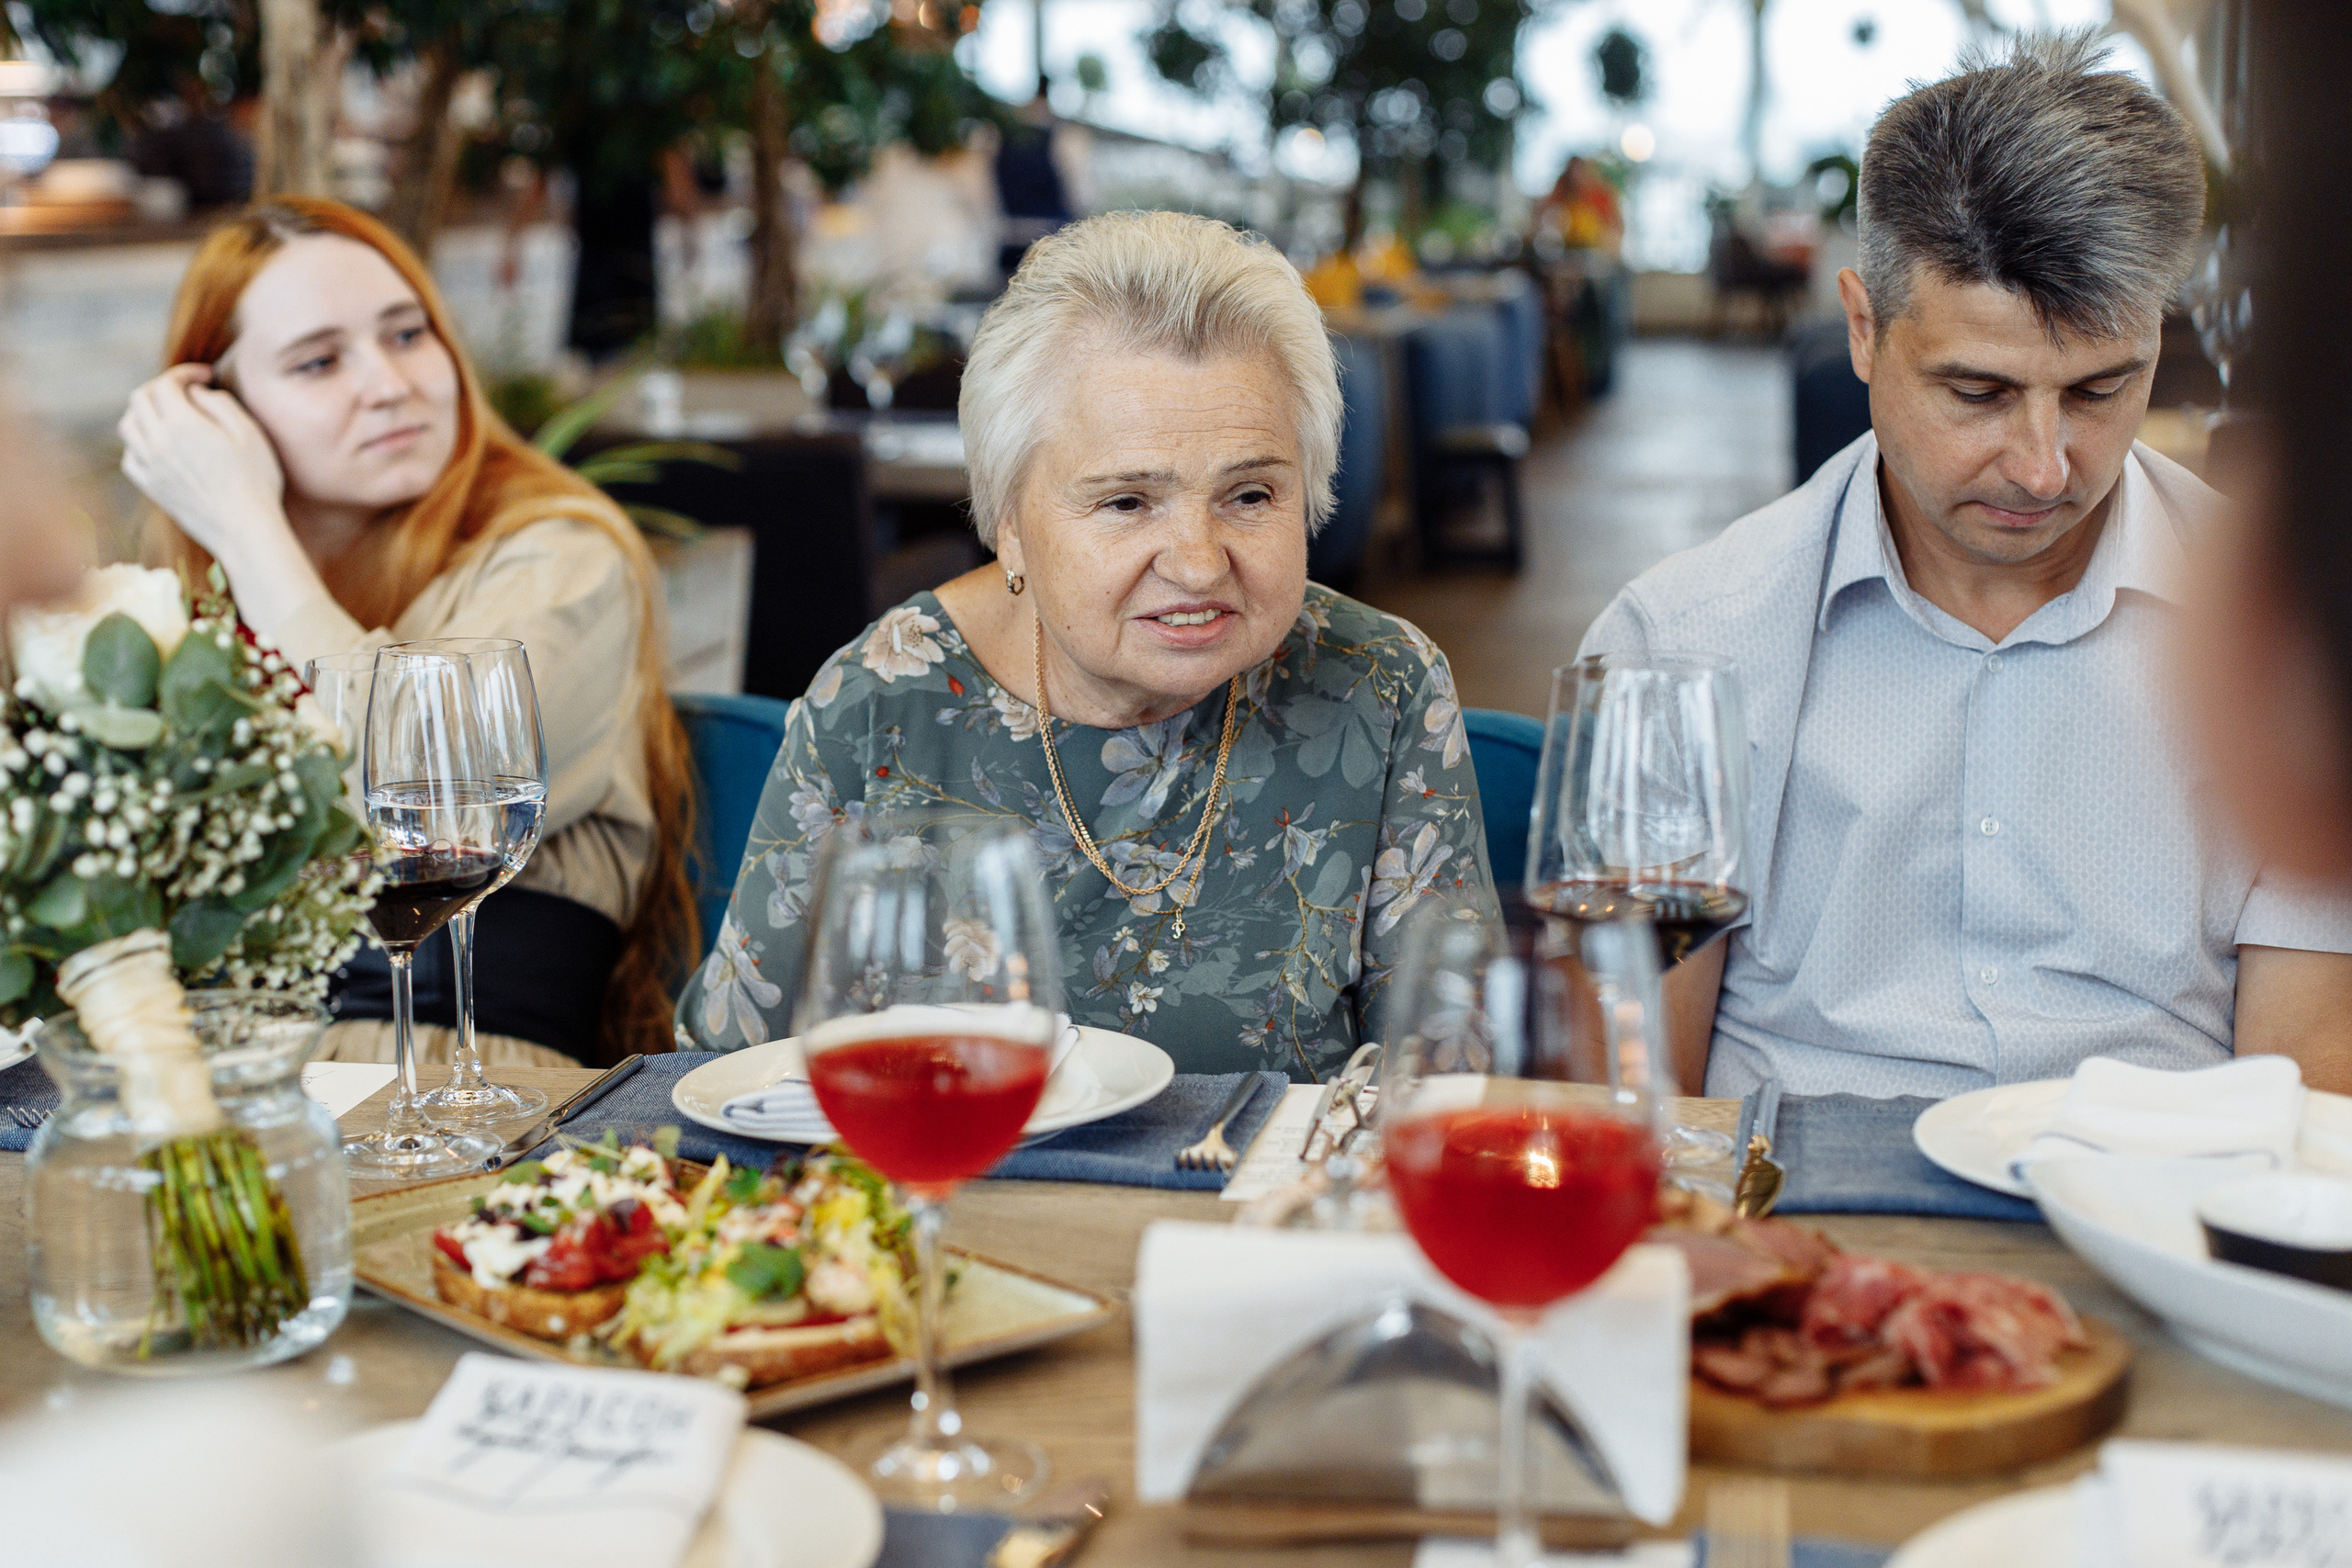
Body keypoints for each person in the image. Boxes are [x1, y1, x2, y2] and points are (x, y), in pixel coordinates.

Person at [1578, 31, 2352, 1100]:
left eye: (2097, 390)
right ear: (1861, 330)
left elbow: (2308, 1078)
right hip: (1793, 1214)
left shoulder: (2295, 629)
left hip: (2160, 1212)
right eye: (1978, 393)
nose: (2042, 469)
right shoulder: (1676, 643)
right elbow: (1626, 1095)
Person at [677, 209, 1500, 1078]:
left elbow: (1453, 1095)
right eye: (1126, 502)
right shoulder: (877, 706)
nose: (1196, 562)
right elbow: (723, 1080)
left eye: (1250, 496)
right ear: (1010, 526)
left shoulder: (1382, 687)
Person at [116, 197, 695, 1066]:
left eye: (407, 333)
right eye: (318, 361)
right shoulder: (182, 613)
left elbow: (432, 804)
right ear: (216, 410)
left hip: (465, 1079)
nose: (390, 384)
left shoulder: (560, 553)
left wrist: (246, 527)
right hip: (227, 1074)